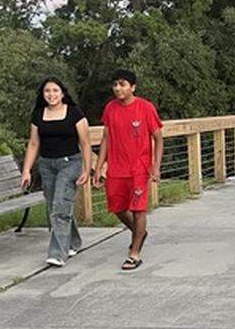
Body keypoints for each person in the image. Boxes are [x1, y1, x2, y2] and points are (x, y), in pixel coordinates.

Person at [92, 69, 163, 270]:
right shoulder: (110, 109)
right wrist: (98, 167)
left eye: (122, 84)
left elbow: (158, 139)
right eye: (115, 84)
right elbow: (106, 138)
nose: (117, 88)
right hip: (116, 168)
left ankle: (134, 253)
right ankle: (139, 232)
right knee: (118, 208)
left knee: (138, 209)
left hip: (139, 168)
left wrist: (155, 167)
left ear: (133, 87)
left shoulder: (145, 108)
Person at [20, 77, 92, 267]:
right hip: (47, 165)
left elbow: (85, 143)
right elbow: (34, 143)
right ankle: (74, 242)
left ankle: (58, 253)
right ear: (42, 95)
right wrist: (26, 170)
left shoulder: (74, 113)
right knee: (56, 206)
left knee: (60, 205)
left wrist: (86, 169)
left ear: (62, 93)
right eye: (47, 91)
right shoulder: (38, 114)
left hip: (70, 164)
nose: (51, 94)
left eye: (55, 91)